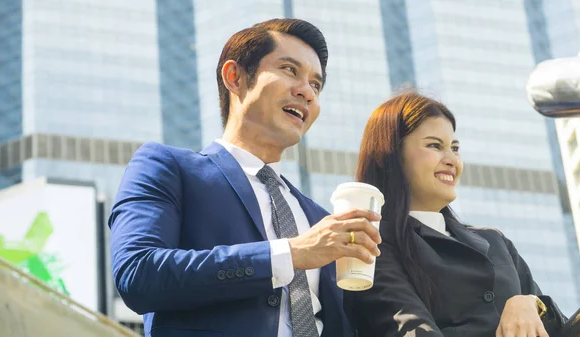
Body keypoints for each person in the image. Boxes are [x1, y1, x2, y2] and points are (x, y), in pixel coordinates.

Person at [108, 18, 382, 337]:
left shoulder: (322, 220)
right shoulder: (168, 166)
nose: (306, 92)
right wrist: (290, 254)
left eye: (316, 85)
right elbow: (138, 273)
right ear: (234, 76)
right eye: (290, 70)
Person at [344, 91, 566, 337]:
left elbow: (566, 329)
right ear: (391, 155)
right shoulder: (371, 240)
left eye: (455, 148)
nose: (451, 160)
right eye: (435, 146)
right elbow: (411, 330)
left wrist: (531, 304)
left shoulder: (496, 243)